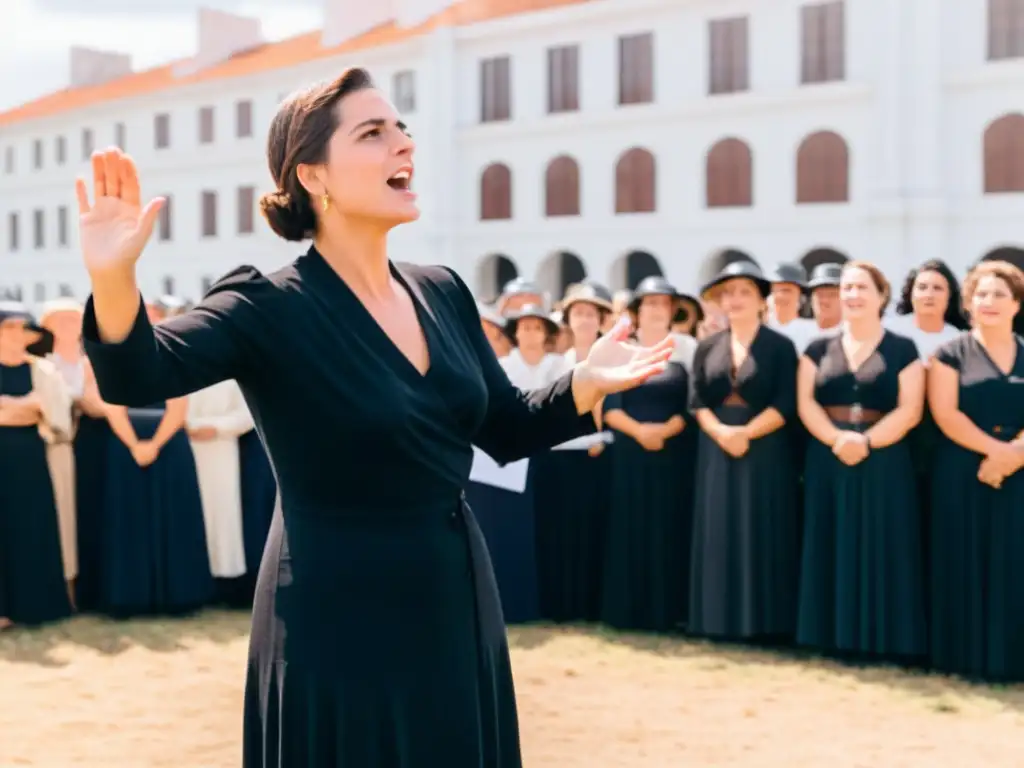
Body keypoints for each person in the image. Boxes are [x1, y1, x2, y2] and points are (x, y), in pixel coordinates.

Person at [76, 67, 672, 766]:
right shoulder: (267, 307)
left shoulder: (444, 293)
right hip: (334, 607)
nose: (403, 145)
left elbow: (508, 429)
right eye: (373, 132)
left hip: (453, 594)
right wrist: (114, 276)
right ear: (314, 176)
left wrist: (585, 382)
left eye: (402, 129)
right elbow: (136, 371)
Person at [796, 261, 926, 662]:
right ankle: (830, 638)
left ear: (881, 296)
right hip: (828, 459)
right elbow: (805, 403)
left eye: (861, 288)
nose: (852, 295)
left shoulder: (903, 349)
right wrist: (838, 439)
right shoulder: (817, 349)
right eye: (847, 288)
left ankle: (883, 640)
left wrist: (866, 442)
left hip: (884, 461)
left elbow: (911, 409)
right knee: (829, 542)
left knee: (883, 545)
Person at [687, 262, 801, 641]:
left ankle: (766, 624)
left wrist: (747, 433)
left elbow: (787, 402)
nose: (734, 300)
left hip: (765, 449)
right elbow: (697, 400)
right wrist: (721, 432)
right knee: (718, 529)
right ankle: (715, 620)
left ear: (760, 300)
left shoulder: (780, 347)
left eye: (744, 292)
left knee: (763, 527)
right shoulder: (707, 346)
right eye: (728, 293)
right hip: (715, 448)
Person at [928, 260, 1024, 681]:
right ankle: (963, 659)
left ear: (1016, 303)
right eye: (980, 295)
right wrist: (996, 453)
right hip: (962, 469)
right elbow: (946, 414)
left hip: (1020, 470)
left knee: (1014, 561)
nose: (989, 302)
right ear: (968, 304)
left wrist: (1013, 455)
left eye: (999, 294)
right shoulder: (949, 353)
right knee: (963, 559)